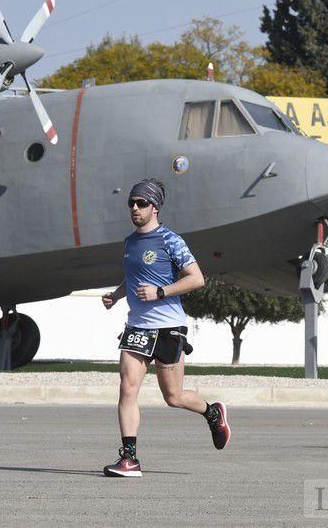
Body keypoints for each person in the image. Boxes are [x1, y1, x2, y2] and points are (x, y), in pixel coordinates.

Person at [100, 179, 231, 478]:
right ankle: (129, 459)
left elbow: (196, 278)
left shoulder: (171, 241)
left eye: (141, 203)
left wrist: (161, 292)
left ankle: (212, 412)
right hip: (137, 326)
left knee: (173, 397)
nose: (134, 208)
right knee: (127, 388)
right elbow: (133, 279)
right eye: (131, 202)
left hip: (169, 326)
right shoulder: (130, 242)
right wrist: (117, 295)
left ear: (155, 207)